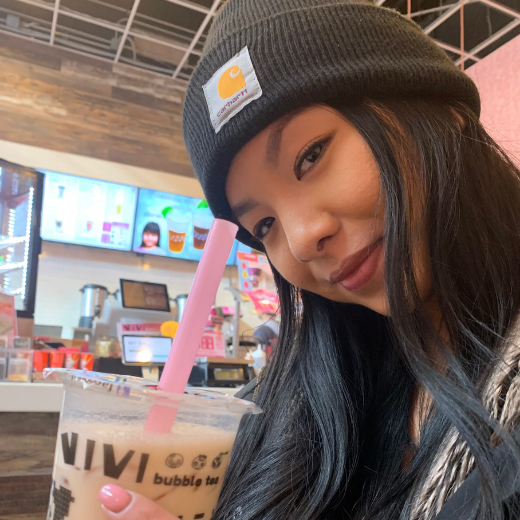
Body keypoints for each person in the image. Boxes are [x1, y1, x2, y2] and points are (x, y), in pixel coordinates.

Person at [99, 0, 520, 519]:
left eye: (311, 155)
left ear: (438, 108)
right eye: (264, 226)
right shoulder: (295, 413)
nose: (300, 241)